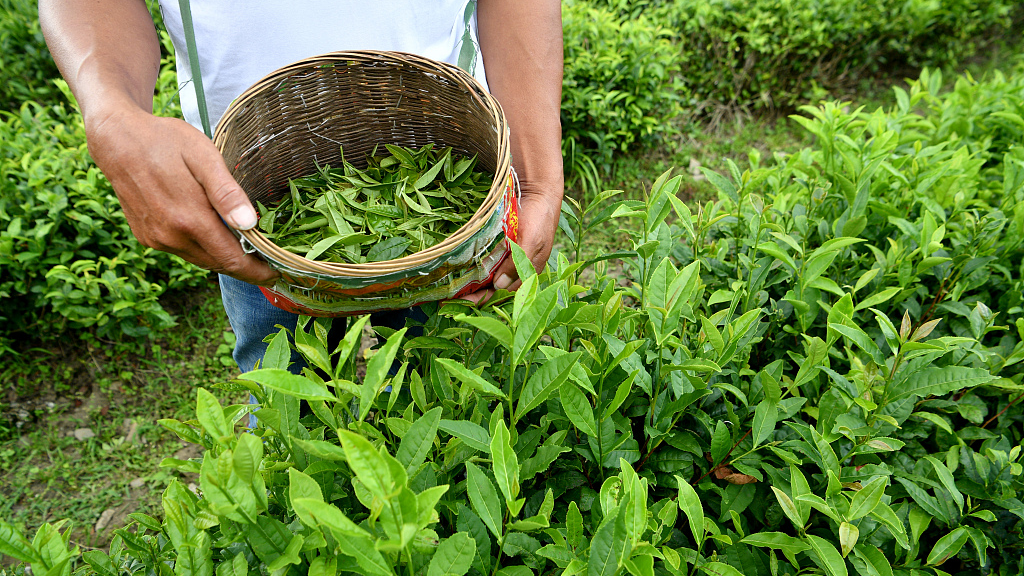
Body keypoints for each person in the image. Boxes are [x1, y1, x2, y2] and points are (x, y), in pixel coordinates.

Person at [39, 0, 564, 372]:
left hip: (464, 198)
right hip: (248, 203)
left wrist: (538, 180)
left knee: (479, 396)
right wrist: (110, 113)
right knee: (290, 433)